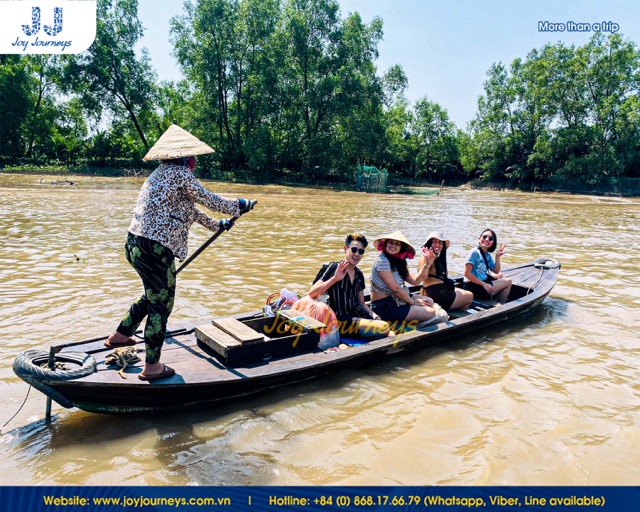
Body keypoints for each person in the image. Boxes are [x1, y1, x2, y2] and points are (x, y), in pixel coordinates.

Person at [106, 124, 256, 380]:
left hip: (135, 245)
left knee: (153, 294)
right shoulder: (179, 174)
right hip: (154, 248)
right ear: (186, 158)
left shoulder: (158, 174)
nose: (195, 162)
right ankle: (152, 366)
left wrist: (218, 224)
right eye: (193, 157)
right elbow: (211, 200)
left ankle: (120, 336)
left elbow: (191, 210)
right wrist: (239, 205)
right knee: (161, 305)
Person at [309, 233, 390, 339]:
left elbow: (361, 303)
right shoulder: (334, 267)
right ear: (345, 249)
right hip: (338, 320)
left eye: (361, 251)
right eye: (354, 250)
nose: (357, 254)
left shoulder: (359, 274)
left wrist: (373, 314)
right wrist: (335, 279)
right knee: (383, 327)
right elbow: (312, 293)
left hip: (355, 315)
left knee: (387, 328)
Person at [369, 231, 437, 325]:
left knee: (429, 301)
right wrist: (413, 302)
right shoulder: (382, 261)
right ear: (385, 244)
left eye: (397, 244)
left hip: (397, 299)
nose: (393, 246)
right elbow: (395, 289)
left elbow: (416, 281)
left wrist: (428, 263)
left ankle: (411, 319)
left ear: (401, 248)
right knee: (430, 312)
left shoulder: (399, 262)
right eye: (390, 242)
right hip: (383, 306)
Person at [418, 231, 474, 311]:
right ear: (428, 244)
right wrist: (427, 262)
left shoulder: (437, 258)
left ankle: (451, 313)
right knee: (470, 296)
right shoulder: (425, 258)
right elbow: (423, 277)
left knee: (461, 291)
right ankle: (455, 317)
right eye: (434, 242)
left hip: (438, 291)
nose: (437, 245)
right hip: (437, 295)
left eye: (440, 242)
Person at [463, 228, 512, 302]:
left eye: (490, 238)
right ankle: (500, 303)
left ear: (493, 242)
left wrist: (497, 257)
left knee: (500, 275)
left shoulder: (487, 254)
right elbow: (467, 274)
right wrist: (484, 285)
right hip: (473, 287)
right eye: (484, 237)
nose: (487, 239)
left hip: (480, 283)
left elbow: (496, 271)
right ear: (479, 238)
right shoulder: (474, 252)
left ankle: (495, 296)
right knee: (508, 281)